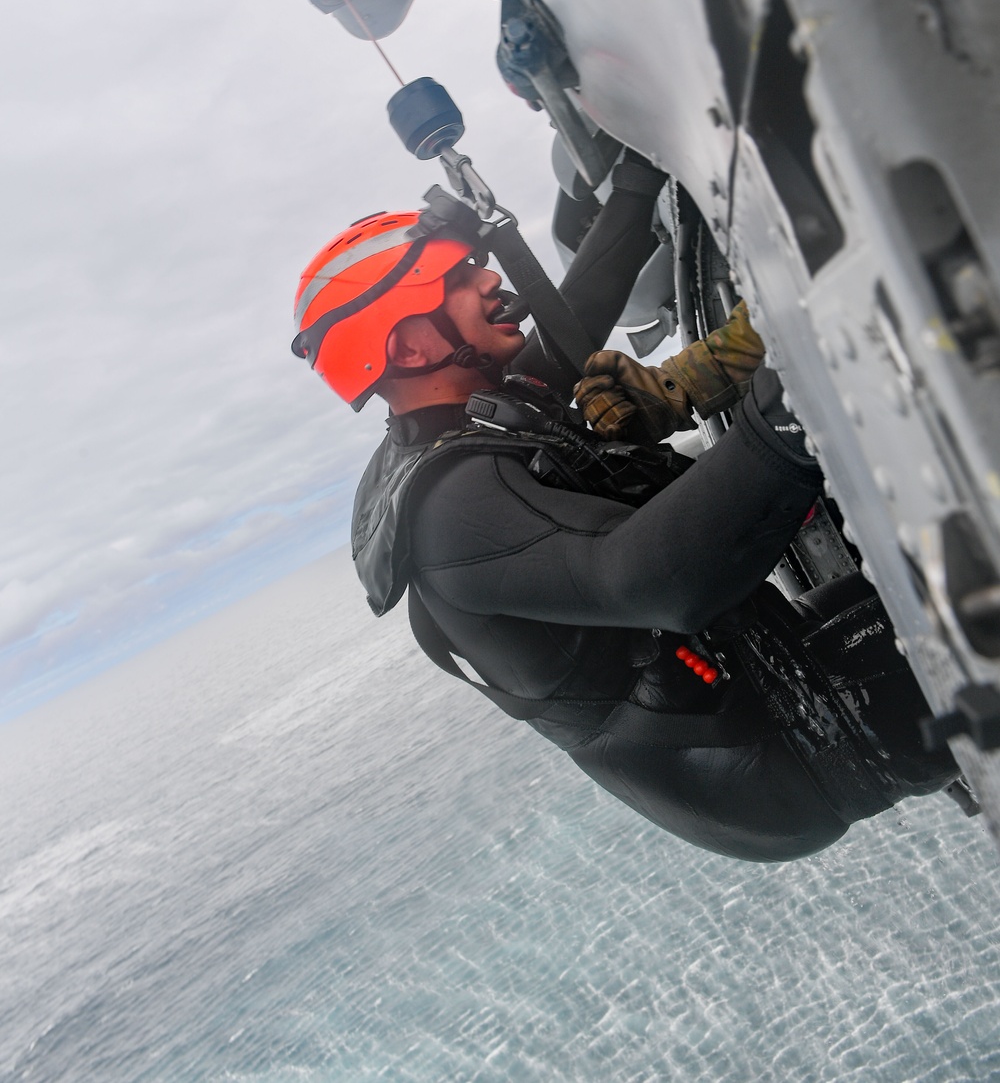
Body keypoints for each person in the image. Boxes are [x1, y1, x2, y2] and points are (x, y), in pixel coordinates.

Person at [292, 159, 959, 861]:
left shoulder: (468, 416)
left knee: (934, 583)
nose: (490, 280)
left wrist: (635, 185)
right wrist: (793, 391)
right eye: (458, 279)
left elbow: (571, 312)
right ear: (411, 345)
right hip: (791, 750)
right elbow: (647, 580)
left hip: (765, 676)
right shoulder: (447, 514)